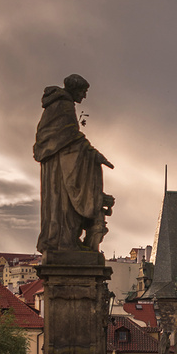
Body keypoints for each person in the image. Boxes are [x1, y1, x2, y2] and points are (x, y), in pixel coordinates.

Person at [33, 74, 114, 254]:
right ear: (75, 89)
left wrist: (90, 151)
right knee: (62, 204)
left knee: (60, 206)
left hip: (58, 163)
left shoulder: (58, 103)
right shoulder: (63, 104)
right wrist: (93, 154)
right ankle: (64, 241)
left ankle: (65, 239)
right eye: (84, 91)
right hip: (60, 167)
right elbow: (69, 135)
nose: (84, 96)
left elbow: (67, 135)